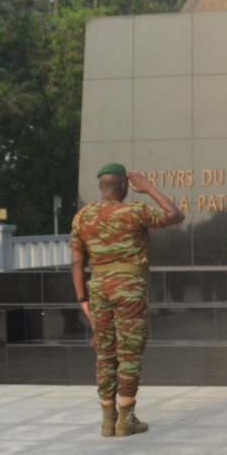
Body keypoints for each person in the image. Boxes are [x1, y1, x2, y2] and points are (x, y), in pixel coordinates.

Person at [70, 164, 185, 438]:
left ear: (102, 186)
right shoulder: (134, 211)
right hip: (129, 288)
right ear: (123, 186)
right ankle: (126, 418)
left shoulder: (82, 217)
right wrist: (147, 188)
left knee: (105, 352)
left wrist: (82, 299)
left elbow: (76, 261)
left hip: (97, 289)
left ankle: (107, 420)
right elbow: (175, 215)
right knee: (129, 352)